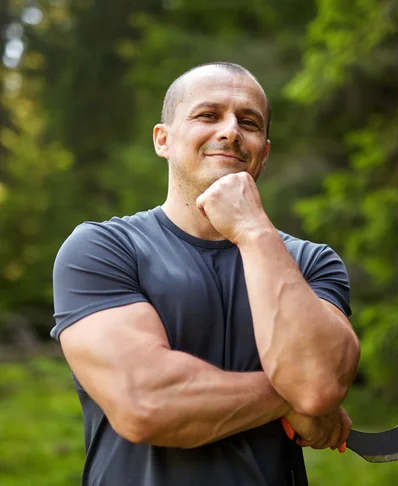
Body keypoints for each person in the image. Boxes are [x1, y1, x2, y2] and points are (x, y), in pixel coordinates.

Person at [51, 61, 361, 486]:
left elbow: (319, 384)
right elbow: (146, 403)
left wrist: (252, 229)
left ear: (264, 153)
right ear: (163, 140)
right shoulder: (103, 248)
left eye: (248, 122)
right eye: (208, 115)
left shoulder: (311, 263)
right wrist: (292, 397)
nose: (231, 130)